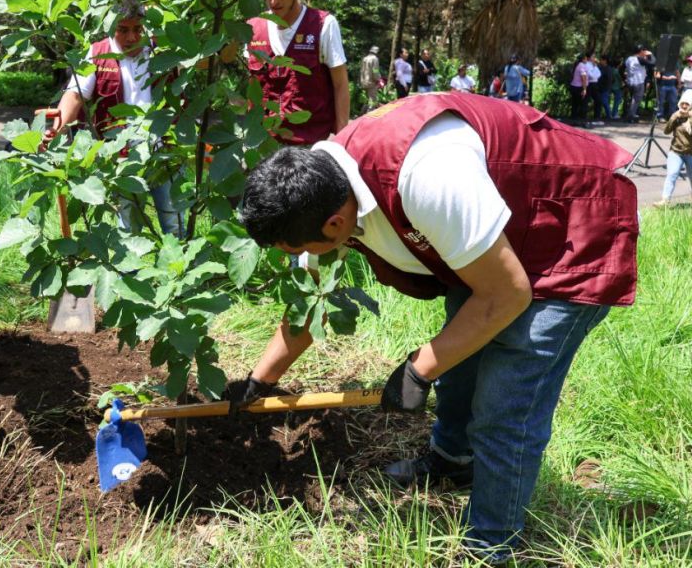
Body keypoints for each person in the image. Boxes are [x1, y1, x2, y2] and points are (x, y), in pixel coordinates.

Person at [232, 92, 638, 565]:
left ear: (336, 222)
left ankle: (492, 545)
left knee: (506, 405)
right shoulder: (323, 185)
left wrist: (417, 370)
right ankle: (452, 463)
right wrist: (261, 380)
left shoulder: (427, 176)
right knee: (460, 360)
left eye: (293, 248)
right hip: (500, 237)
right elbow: (307, 304)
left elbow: (507, 295)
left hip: (571, 227)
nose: (294, 256)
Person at [43, 0, 183, 237]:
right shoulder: (97, 53)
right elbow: (75, 95)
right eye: (123, 30)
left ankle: (180, 270)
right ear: (111, 26)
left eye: (137, 29)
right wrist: (57, 130)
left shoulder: (162, 48)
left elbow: (200, 62)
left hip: (164, 152)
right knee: (127, 227)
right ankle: (132, 273)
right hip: (121, 158)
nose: (131, 38)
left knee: (174, 222)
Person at [247, 0, 349, 145]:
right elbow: (252, 86)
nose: (274, 1)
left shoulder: (323, 24)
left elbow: (340, 84)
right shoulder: (252, 28)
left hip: (312, 145)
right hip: (263, 143)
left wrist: (341, 143)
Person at [654, 89, 692, 207]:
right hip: (676, 152)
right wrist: (673, 117)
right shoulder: (676, 116)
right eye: (683, 103)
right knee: (672, 174)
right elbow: (666, 131)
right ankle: (665, 201)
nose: (684, 106)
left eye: (687, 104)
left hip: (690, 153)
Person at [624, 44, 655, 123]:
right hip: (638, 82)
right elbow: (652, 63)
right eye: (643, 51)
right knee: (636, 100)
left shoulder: (629, 59)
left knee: (632, 99)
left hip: (630, 82)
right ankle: (630, 117)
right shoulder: (639, 59)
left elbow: (621, 68)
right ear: (641, 51)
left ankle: (630, 114)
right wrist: (651, 54)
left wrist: (624, 79)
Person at [569, 53, 590, 126]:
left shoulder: (577, 65)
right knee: (583, 104)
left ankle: (574, 121)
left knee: (575, 104)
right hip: (579, 87)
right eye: (586, 58)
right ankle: (583, 121)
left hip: (574, 87)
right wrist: (584, 89)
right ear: (583, 59)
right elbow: (583, 77)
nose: (587, 59)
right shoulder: (582, 66)